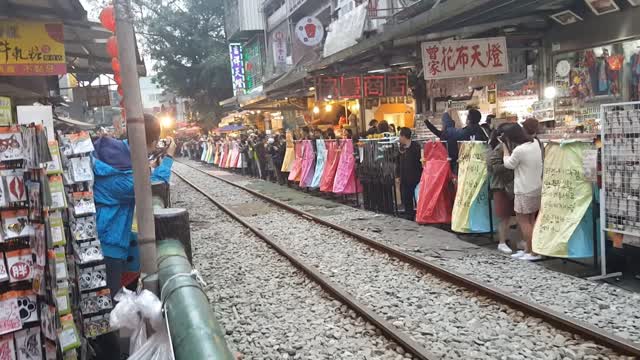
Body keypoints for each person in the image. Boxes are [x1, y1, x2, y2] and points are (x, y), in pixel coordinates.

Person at [93, 114, 175, 296]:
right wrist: (168, 158)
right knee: (112, 303)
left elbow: (136, 175)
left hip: (107, 239)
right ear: (153, 142)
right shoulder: (123, 174)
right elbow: (153, 183)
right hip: (108, 243)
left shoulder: (117, 159)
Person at [501, 124, 543, 261]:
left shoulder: (519, 150)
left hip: (523, 189)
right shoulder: (535, 143)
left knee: (523, 221)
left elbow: (509, 164)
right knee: (531, 220)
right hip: (536, 187)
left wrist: (505, 149)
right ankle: (528, 250)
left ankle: (532, 252)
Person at [424, 109, 488, 173]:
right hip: (480, 162)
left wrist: (427, 122)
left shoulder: (463, 132)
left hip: (466, 164)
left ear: (468, 119)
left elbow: (441, 133)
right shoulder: (483, 131)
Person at [487, 123, 516, 254]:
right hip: (501, 186)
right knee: (504, 216)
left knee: (512, 215)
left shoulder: (508, 147)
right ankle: (502, 242)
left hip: (508, 185)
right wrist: (511, 165)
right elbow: (494, 168)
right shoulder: (499, 149)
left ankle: (511, 241)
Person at [397, 127, 423, 220]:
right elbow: (399, 162)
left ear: (404, 137)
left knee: (417, 197)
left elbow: (419, 162)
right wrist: (399, 175)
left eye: (400, 136)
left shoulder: (416, 147)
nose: (399, 138)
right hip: (405, 177)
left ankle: (419, 214)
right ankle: (409, 215)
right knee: (406, 197)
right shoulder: (401, 148)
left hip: (415, 177)